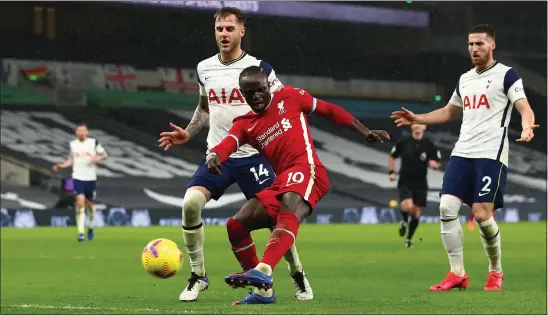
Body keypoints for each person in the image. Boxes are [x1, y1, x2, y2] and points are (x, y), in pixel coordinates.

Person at [157, 7, 313, 302]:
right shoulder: (205, 68)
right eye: (219, 29)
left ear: (242, 31)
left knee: (277, 218)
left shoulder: (260, 69)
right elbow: (205, 107)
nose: (224, 34)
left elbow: (280, 106)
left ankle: (297, 274)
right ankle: (198, 276)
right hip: (219, 156)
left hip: (255, 156)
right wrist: (188, 133)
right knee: (191, 203)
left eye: (230, 29)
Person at [201, 65, 389, 304]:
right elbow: (228, 143)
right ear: (242, 94)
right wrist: (213, 155)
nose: (256, 96)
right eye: (250, 93)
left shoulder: (290, 97)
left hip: (308, 170)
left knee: (289, 205)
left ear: (267, 86)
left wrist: (363, 131)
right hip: (282, 181)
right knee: (236, 225)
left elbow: (328, 110)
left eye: (260, 90)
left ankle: (264, 270)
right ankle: (262, 291)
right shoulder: (245, 123)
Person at [391, 24, 538, 291]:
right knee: (446, 207)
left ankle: (495, 271)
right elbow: (448, 112)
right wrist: (417, 117)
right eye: (470, 44)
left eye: (479, 44)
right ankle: (457, 273)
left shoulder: (507, 75)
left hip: (490, 154)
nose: (474, 49)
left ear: (492, 45)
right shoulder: (465, 79)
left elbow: (524, 107)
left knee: (482, 215)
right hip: (462, 152)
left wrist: (527, 125)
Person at [52, 123, 107, 241]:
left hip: (91, 178)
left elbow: (104, 155)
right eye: (79, 130)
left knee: (91, 206)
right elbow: (71, 160)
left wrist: (98, 158)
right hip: (78, 177)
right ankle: (81, 232)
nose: (81, 132)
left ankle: (91, 226)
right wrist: (61, 166)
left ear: (87, 132)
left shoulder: (93, 142)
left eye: (84, 130)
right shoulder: (73, 145)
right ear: (76, 132)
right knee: (80, 202)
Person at [389, 123, 441, 248]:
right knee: (407, 206)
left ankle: (409, 239)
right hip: (405, 181)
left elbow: (438, 161)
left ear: (425, 127)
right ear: (411, 127)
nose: (417, 126)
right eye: (415, 124)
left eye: (420, 124)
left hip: (421, 183)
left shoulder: (429, 144)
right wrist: (391, 172)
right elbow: (392, 157)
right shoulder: (404, 143)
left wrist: (435, 164)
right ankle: (404, 221)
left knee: (416, 212)